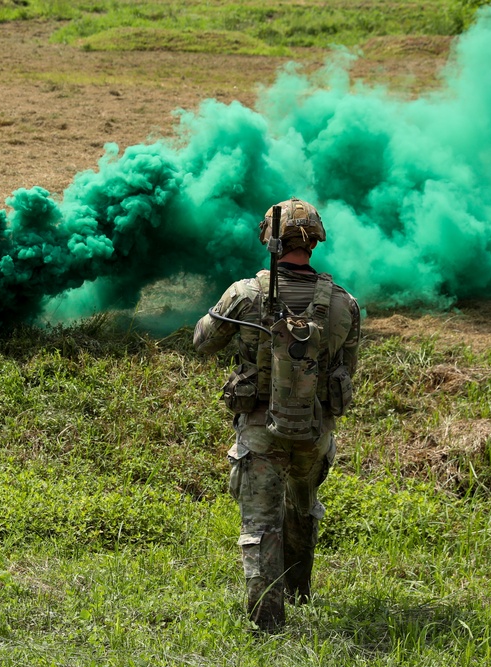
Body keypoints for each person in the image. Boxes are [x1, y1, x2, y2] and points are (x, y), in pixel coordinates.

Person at [193, 198, 361, 633]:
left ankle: (268, 628)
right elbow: (346, 369)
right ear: (315, 242)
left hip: (260, 432)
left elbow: (203, 341)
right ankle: (298, 592)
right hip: (315, 431)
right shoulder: (345, 304)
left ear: (270, 238)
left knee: (261, 525)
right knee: (302, 509)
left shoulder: (245, 294)